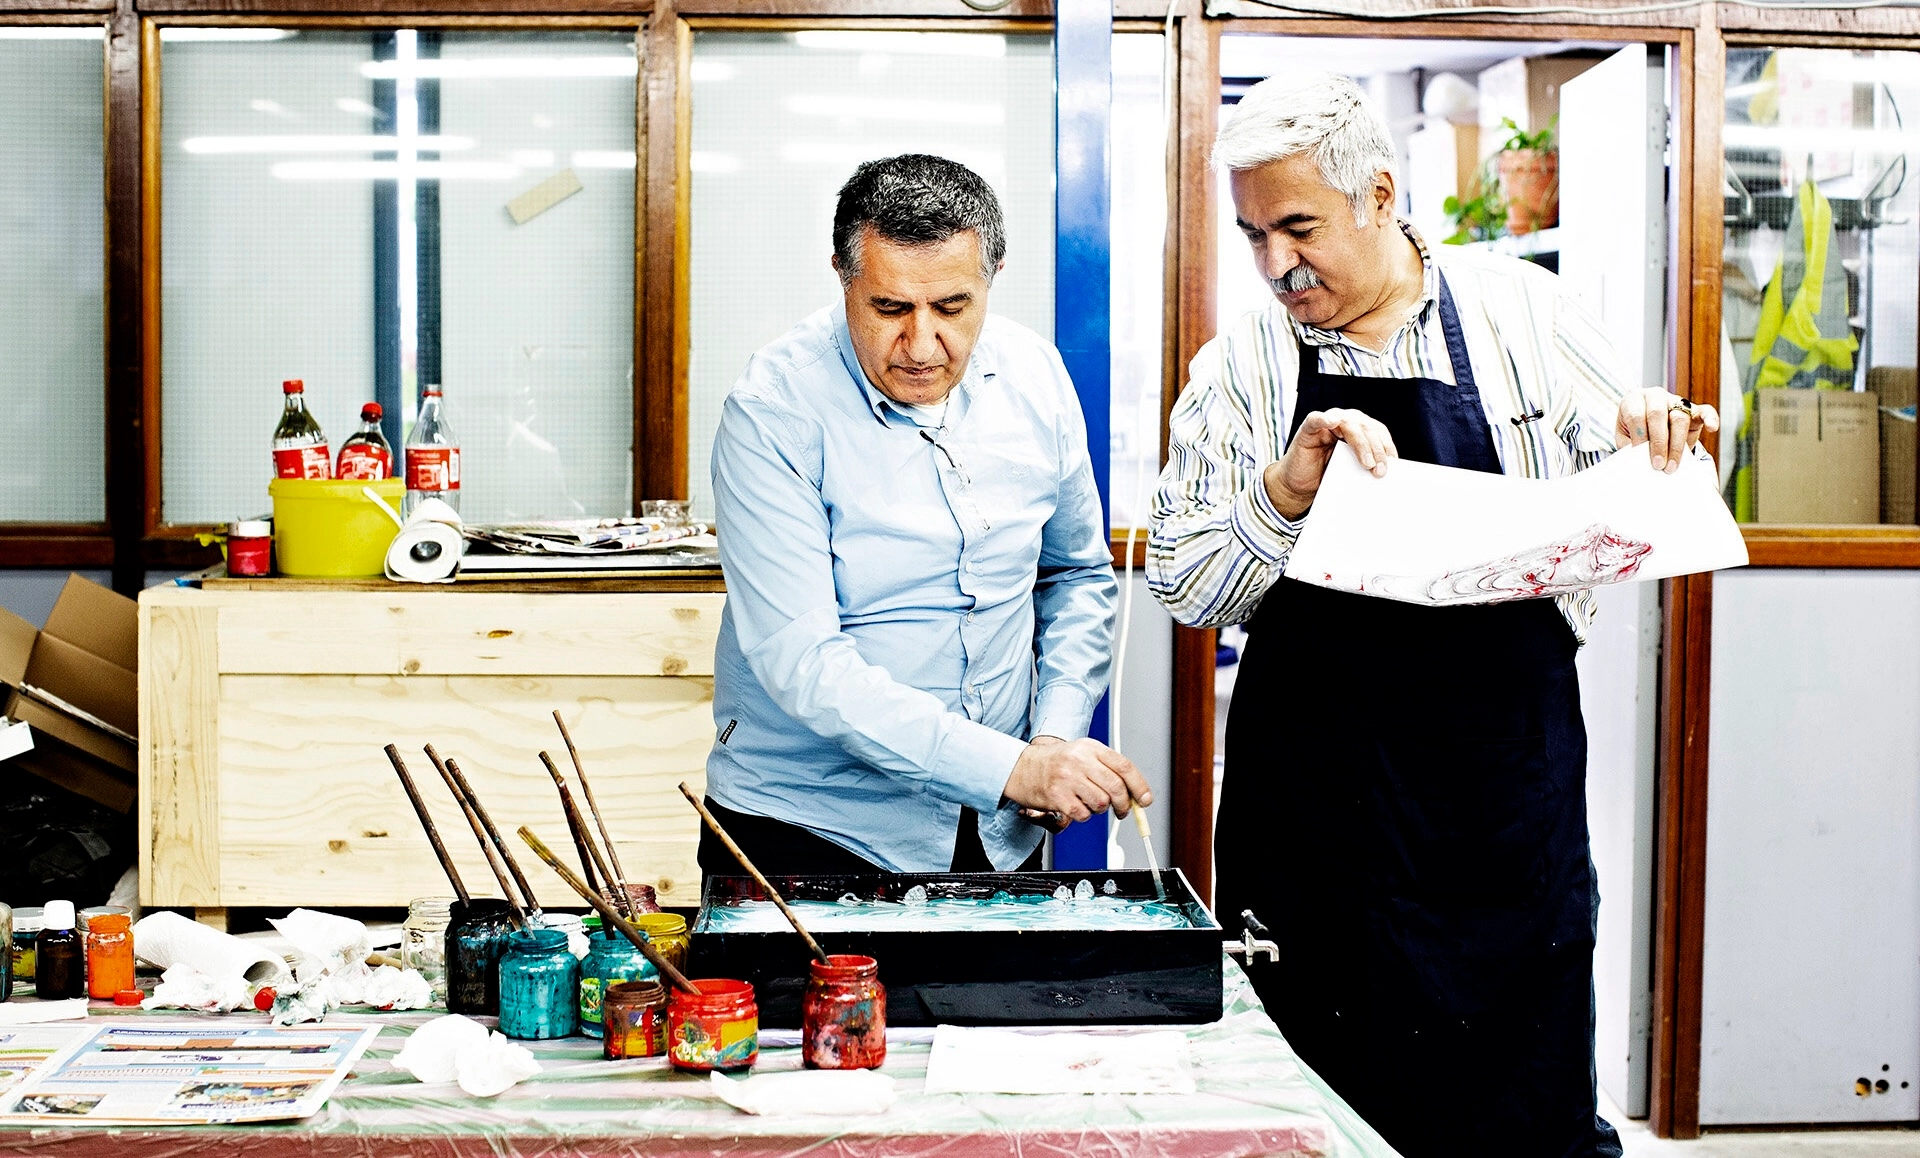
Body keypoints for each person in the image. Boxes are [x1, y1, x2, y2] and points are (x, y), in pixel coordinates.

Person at [1148, 74, 1717, 1157]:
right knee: (1313, 1108)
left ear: (1378, 195)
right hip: (1313, 815)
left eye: (1299, 227)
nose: (1275, 264)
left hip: (1501, 809)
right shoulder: (1239, 371)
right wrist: (1283, 495)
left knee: (1522, 1108)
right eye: (1253, 235)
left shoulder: (1527, 317)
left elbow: (1644, 500)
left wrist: (1657, 441)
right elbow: (1183, 585)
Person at [703, 153, 1150, 879]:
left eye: (951, 308)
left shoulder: (1035, 376)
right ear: (843, 277)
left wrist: (1051, 738)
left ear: (992, 277)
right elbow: (803, 660)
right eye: (889, 309)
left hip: (1001, 828)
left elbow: (1074, 576)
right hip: (812, 828)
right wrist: (1011, 768)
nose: (920, 345)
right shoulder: (773, 410)